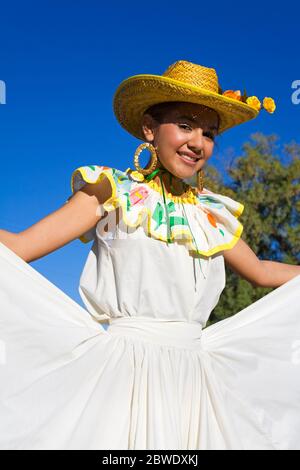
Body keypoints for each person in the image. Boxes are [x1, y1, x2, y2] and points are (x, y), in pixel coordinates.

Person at [0, 59, 300, 450]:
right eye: (186, 125)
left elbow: (260, 271)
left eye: (209, 133)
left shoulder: (212, 214)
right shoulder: (112, 190)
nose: (198, 142)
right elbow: (21, 247)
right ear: (149, 129)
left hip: (196, 379)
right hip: (123, 371)